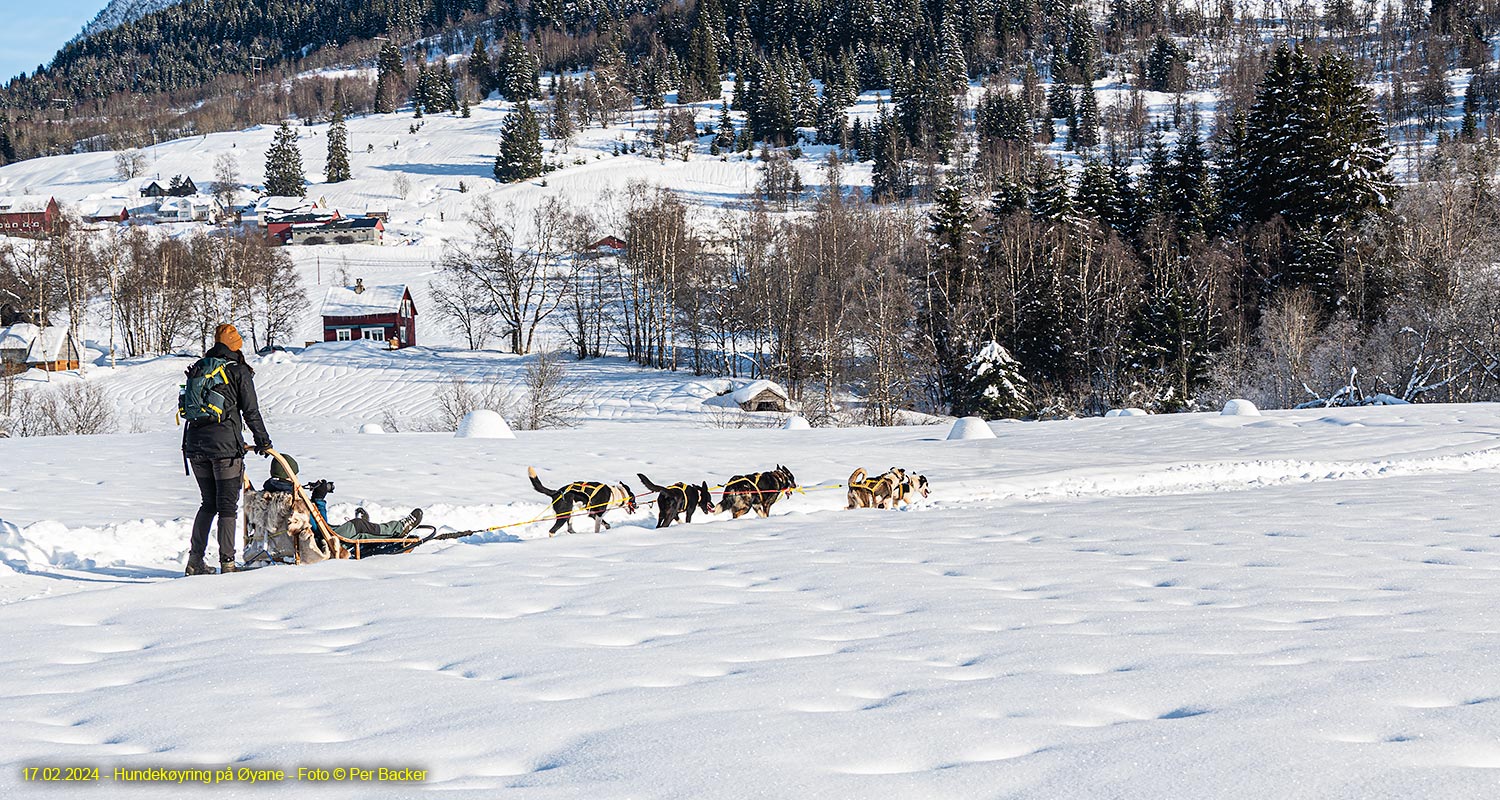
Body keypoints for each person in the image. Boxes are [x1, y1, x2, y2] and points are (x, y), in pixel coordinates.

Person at [182, 323, 271, 576]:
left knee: (208, 504)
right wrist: (263, 441)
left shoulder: (202, 367)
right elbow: (251, 411)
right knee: (227, 507)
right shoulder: (238, 370)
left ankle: (195, 561)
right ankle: (228, 564)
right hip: (225, 450)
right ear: (234, 346)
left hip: (195, 446)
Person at [264, 453, 424, 555]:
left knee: (355, 530)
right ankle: (398, 528)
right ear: (290, 475)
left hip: (291, 543)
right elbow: (320, 526)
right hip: (315, 546)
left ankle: (379, 534)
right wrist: (319, 499)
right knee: (357, 526)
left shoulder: (271, 496)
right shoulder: (293, 500)